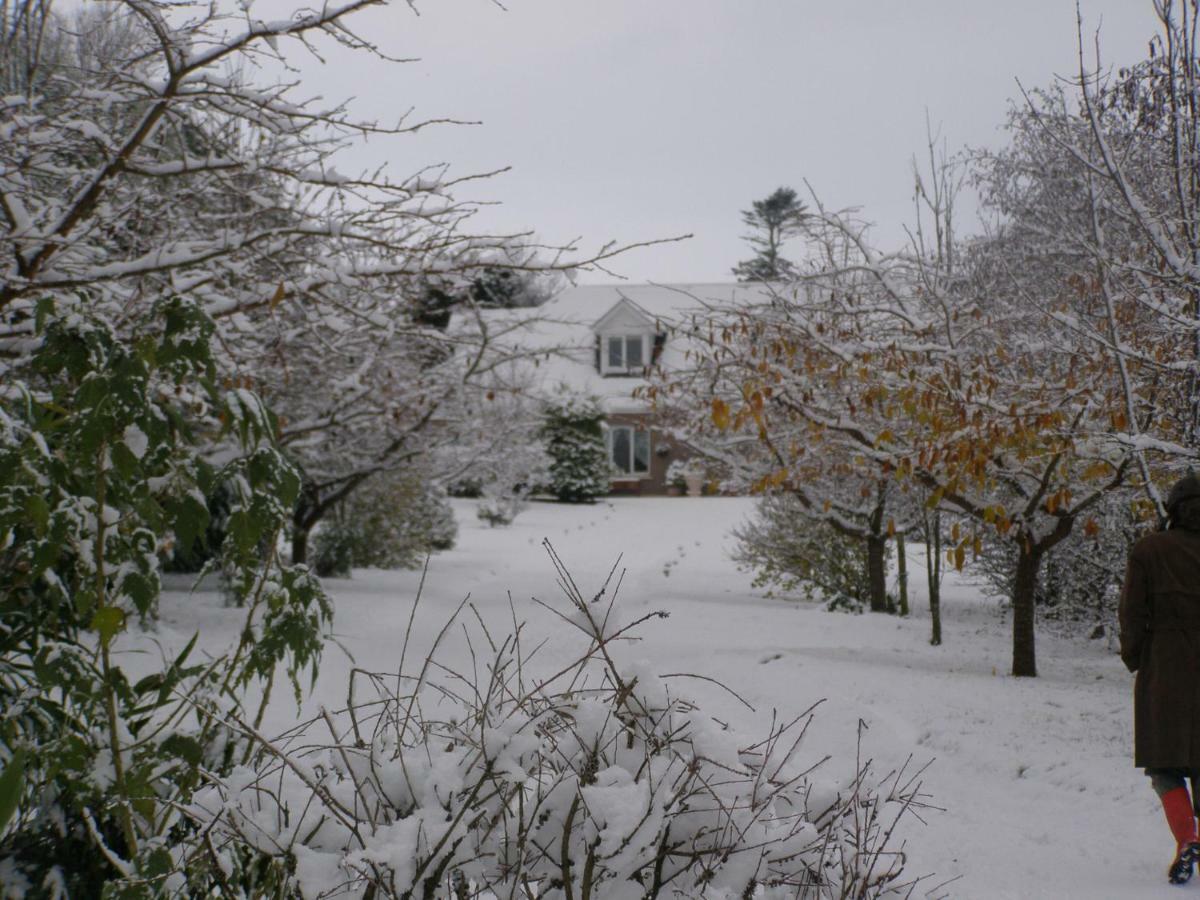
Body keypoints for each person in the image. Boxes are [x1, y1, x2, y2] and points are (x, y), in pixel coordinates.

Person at [1120, 473, 1200, 884]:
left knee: (1164, 764)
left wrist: (1137, 658)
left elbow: (1132, 614)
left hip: (1165, 669)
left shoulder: (1149, 551)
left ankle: (1188, 839)